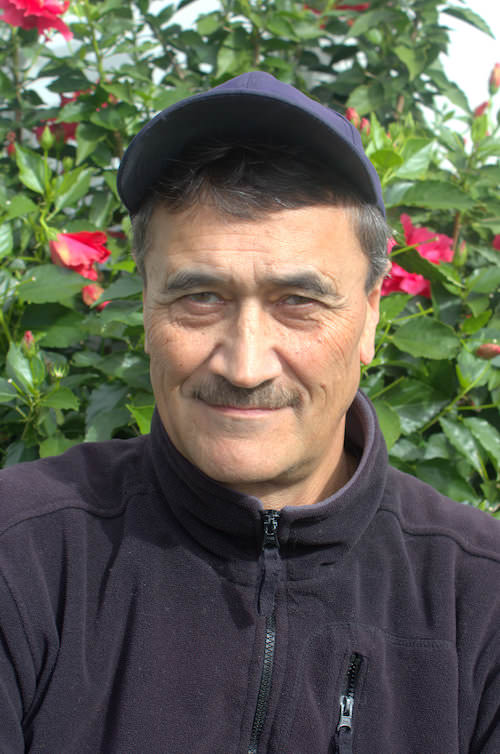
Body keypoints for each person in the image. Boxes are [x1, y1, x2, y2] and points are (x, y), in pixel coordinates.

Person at [0, 71, 499, 754]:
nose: (245, 366)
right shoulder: (19, 555)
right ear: (144, 305)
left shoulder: (482, 598)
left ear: (370, 316)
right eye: (199, 298)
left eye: (299, 302)